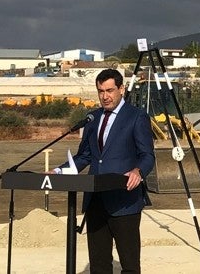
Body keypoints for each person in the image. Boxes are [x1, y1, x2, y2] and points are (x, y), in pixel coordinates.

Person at [58, 69, 156, 274]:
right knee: (99, 264)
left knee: (129, 265)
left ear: (121, 89)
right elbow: (85, 156)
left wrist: (138, 172)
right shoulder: (92, 118)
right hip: (95, 200)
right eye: (101, 91)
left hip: (124, 200)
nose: (105, 96)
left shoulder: (137, 117)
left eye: (110, 90)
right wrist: (59, 171)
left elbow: (147, 155)